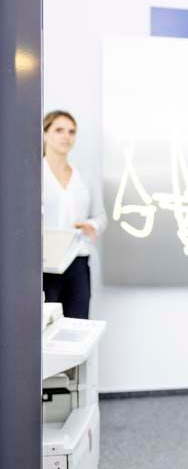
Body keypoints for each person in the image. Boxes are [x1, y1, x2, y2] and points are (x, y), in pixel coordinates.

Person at [42, 110, 106, 318]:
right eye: (59, 130)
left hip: (77, 261)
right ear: (45, 134)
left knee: (77, 325)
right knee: (42, 329)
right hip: (43, 263)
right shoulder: (34, 175)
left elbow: (100, 217)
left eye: (71, 132)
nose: (66, 136)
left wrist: (92, 226)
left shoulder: (84, 178)